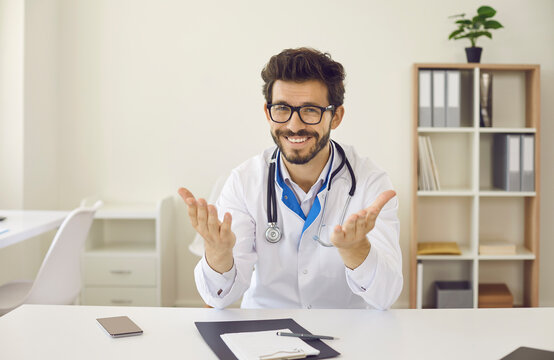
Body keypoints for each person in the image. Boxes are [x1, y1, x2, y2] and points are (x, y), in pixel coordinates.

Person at [179, 47, 402, 310]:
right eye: (282, 108)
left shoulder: (370, 183)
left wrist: (357, 252)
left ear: (336, 116)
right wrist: (217, 253)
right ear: (267, 112)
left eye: (310, 110)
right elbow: (219, 298)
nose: (294, 125)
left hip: (346, 333)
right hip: (265, 334)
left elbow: (386, 298)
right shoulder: (244, 181)